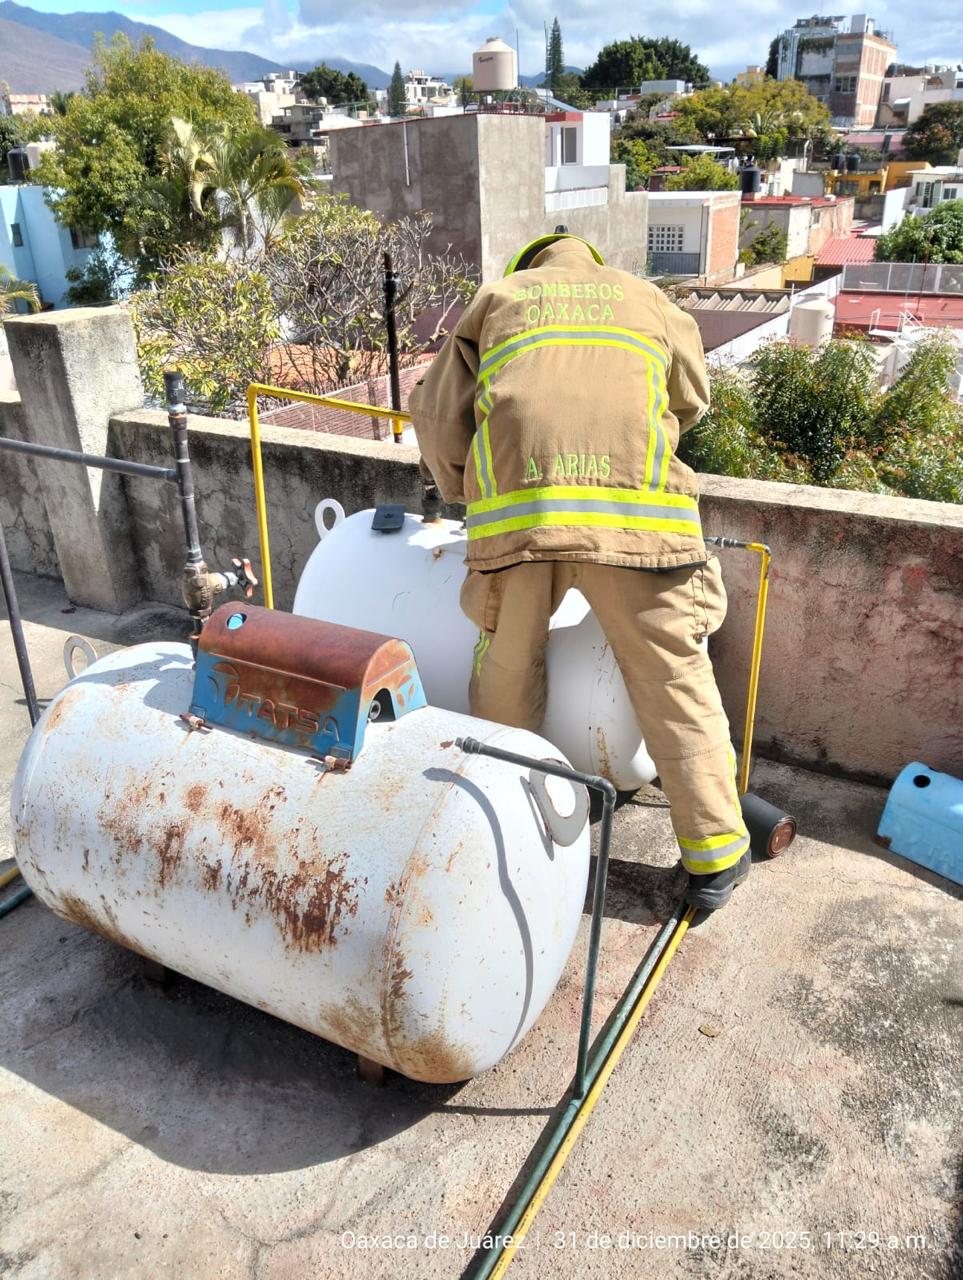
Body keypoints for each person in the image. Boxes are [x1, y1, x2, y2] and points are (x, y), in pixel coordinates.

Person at [409, 232, 749, 910]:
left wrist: (456, 487)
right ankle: (716, 860)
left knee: (506, 669)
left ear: (525, 268)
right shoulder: (646, 299)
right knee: (674, 679)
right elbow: (690, 395)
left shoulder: (498, 299)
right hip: (638, 518)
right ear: (594, 263)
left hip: (522, 517)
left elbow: (437, 414)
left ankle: (515, 819)